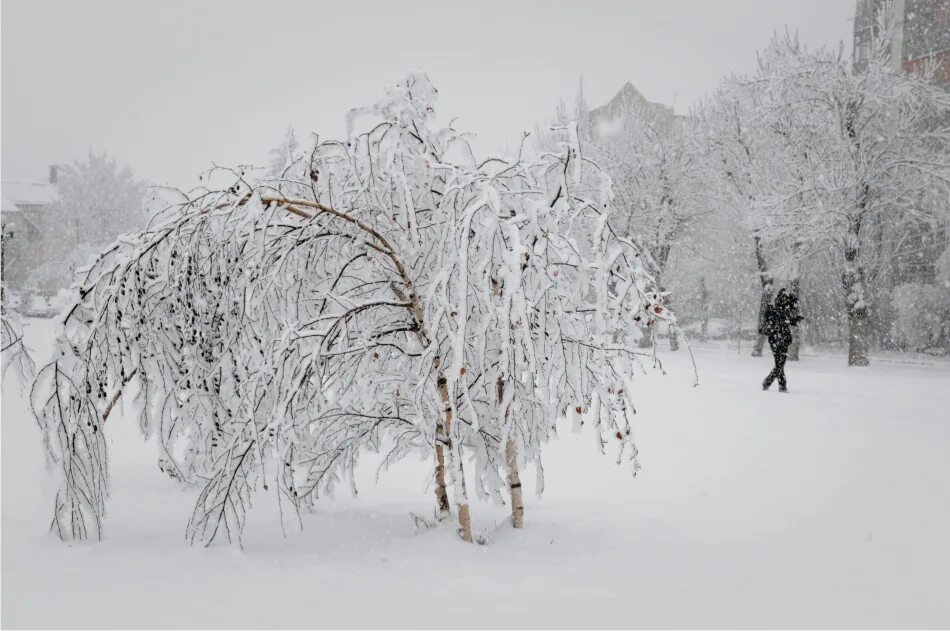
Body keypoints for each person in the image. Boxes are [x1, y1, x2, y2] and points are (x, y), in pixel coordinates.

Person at [761, 288, 803, 392]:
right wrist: (790, 320)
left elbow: (784, 322)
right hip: (776, 339)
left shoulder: (784, 310)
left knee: (780, 363)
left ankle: (773, 383)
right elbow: (778, 323)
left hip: (783, 339)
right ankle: (779, 385)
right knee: (780, 364)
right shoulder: (773, 310)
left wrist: (794, 320)